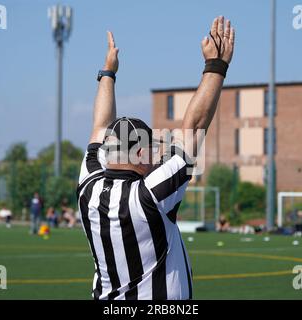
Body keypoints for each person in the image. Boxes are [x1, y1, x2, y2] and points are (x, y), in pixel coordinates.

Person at [77, 16, 234, 300]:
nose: (155, 157)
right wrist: (216, 66)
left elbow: (100, 127)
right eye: (151, 149)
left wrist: (107, 73)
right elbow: (194, 128)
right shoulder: (151, 195)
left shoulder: (88, 186)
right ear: (138, 153)